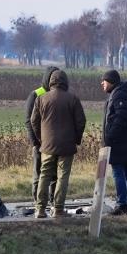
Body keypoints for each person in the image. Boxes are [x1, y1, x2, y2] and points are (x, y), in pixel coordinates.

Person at [30, 69, 86, 219]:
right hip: (67, 146)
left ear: (51, 82)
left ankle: (40, 209)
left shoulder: (41, 98)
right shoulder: (73, 99)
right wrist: (76, 139)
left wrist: (41, 138)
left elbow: (33, 121)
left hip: (47, 145)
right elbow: (81, 122)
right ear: (65, 82)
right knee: (63, 176)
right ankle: (58, 209)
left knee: (44, 174)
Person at [100, 69, 127, 215]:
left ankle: (122, 204)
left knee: (119, 173)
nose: (102, 83)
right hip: (125, 143)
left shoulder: (119, 95)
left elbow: (120, 119)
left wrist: (110, 137)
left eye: (104, 81)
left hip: (119, 143)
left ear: (110, 81)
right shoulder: (120, 94)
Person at [24, 66, 59, 203]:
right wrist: (35, 142)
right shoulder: (36, 94)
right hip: (39, 143)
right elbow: (29, 120)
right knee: (39, 174)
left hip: (54, 142)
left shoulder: (58, 94)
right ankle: (38, 202)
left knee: (55, 174)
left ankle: (53, 201)